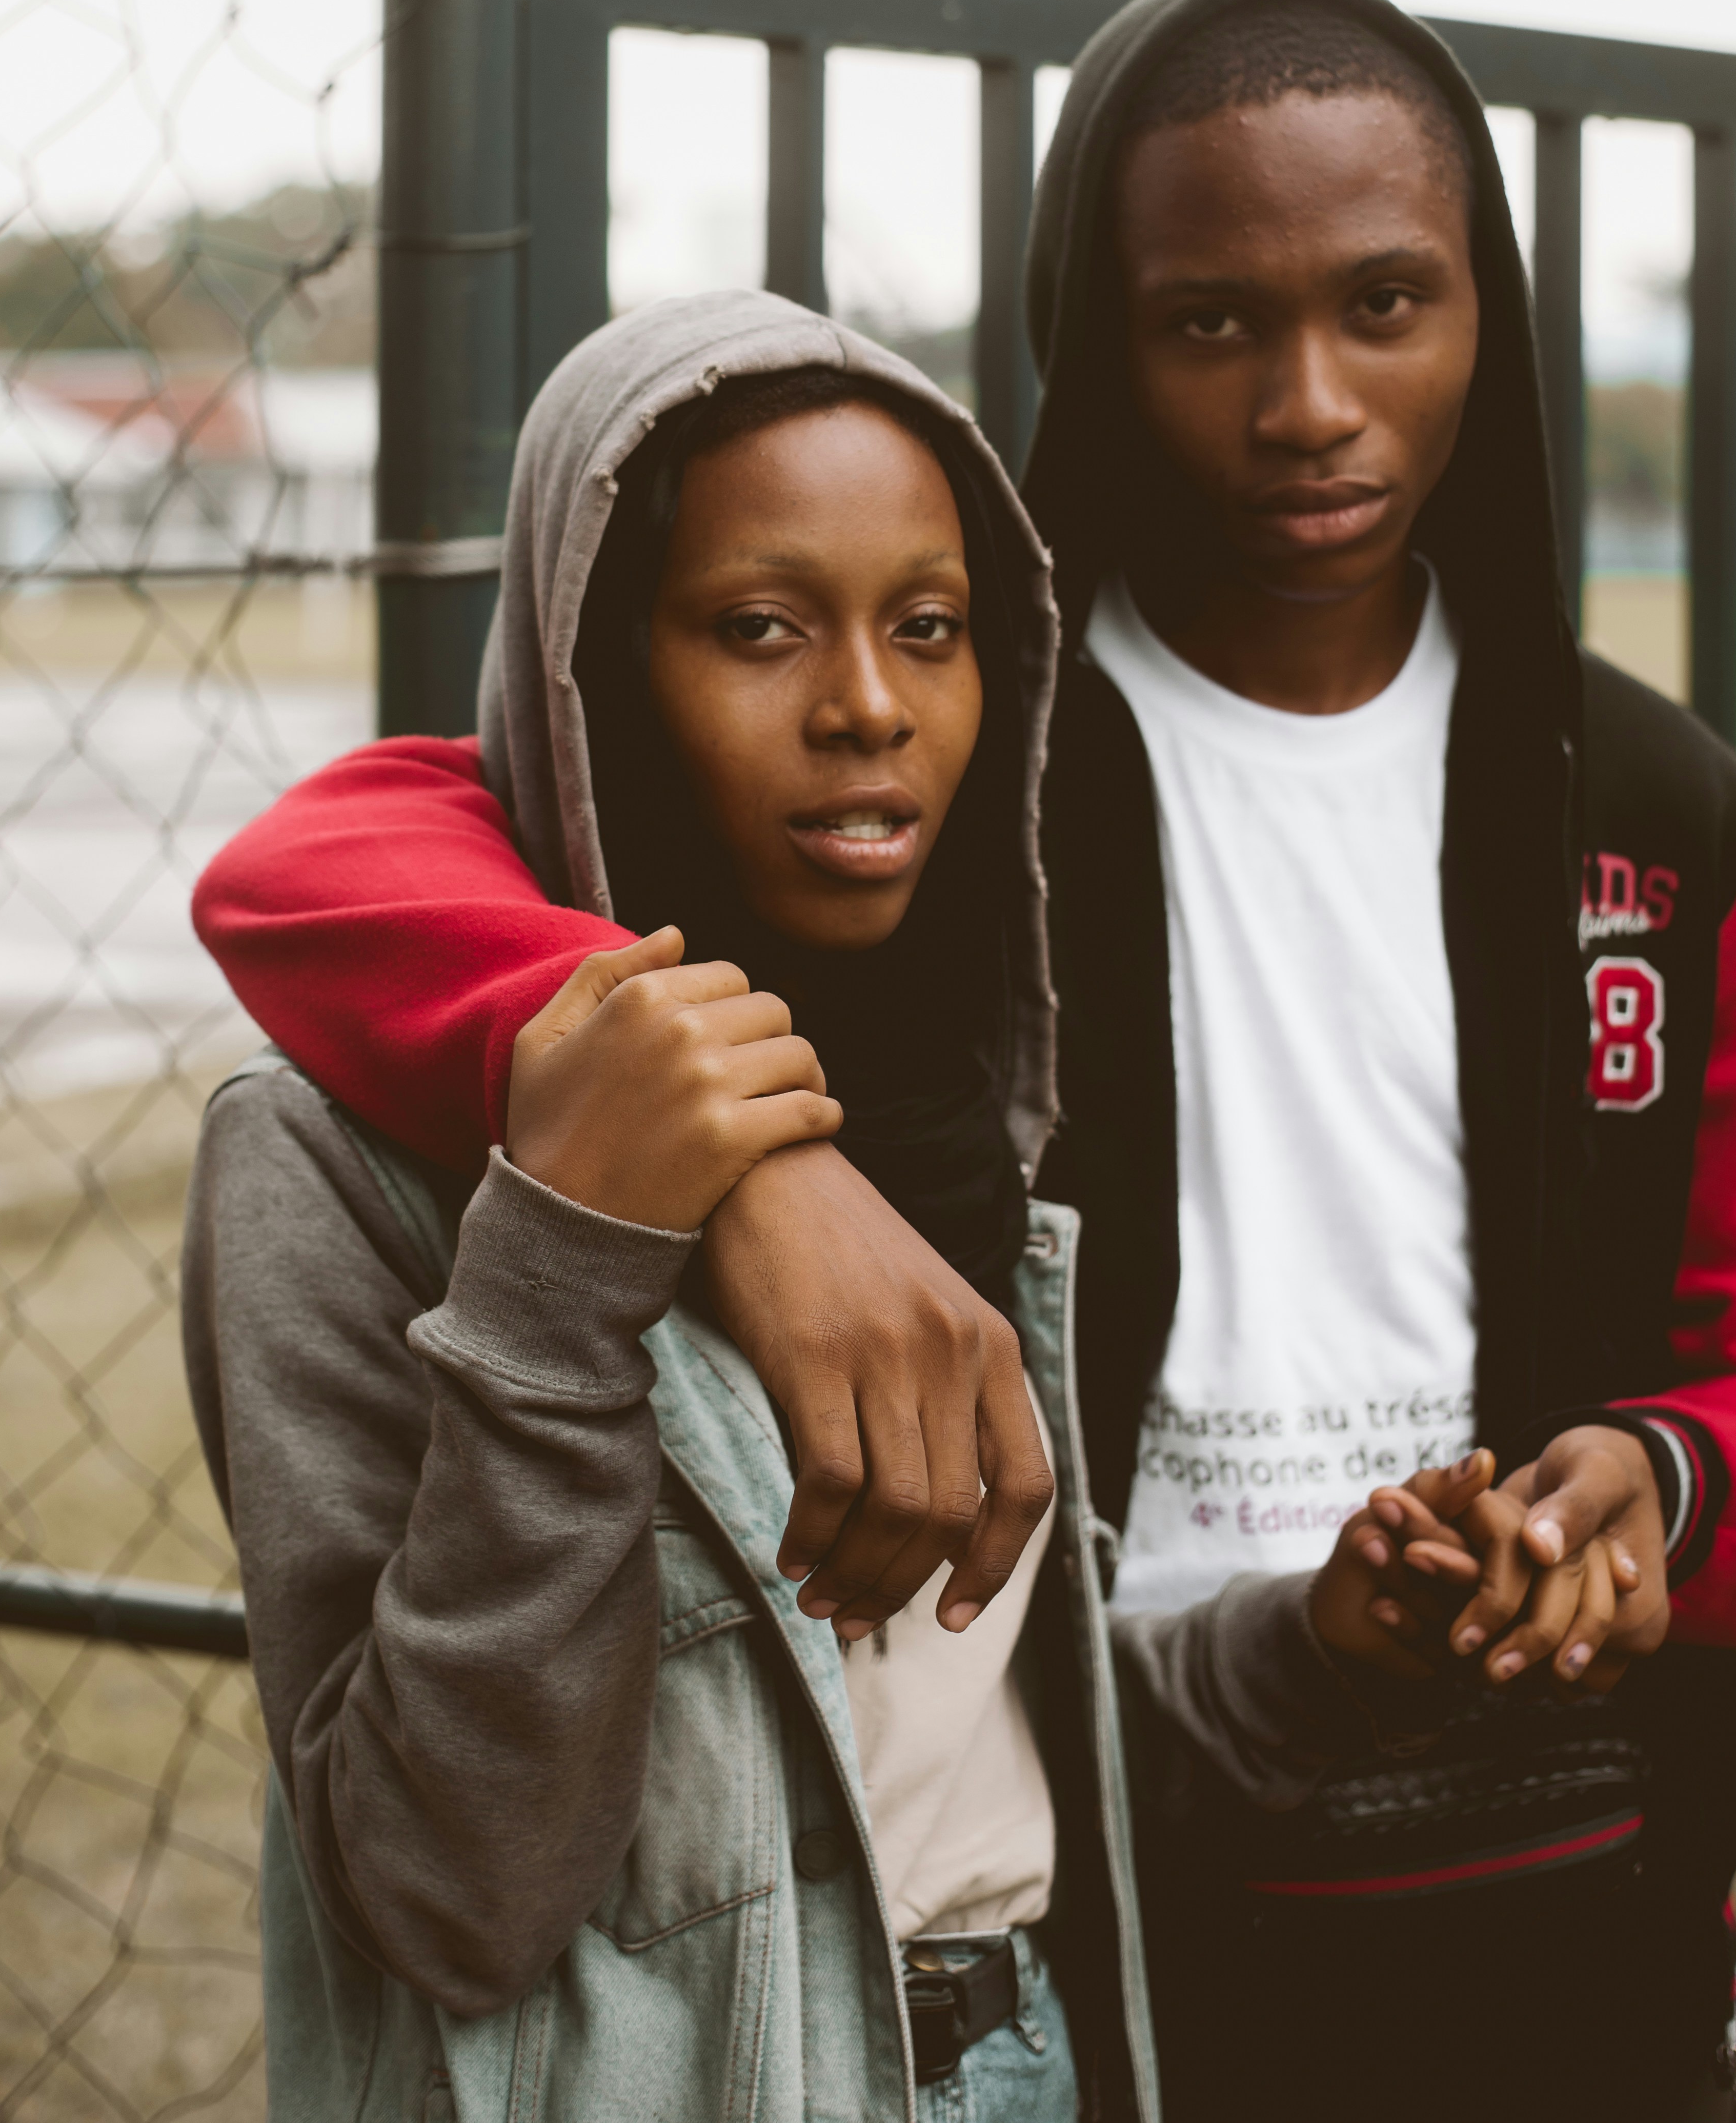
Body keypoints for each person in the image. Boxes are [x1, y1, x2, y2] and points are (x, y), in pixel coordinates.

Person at [193, 0, 1736, 2119]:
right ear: (1095, 331)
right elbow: (332, 851)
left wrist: (1665, 1474)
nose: (1306, 403)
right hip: (1124, 1911)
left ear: (1489, 318)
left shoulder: (1659, 818)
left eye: (1386, 303)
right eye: (1207, 322)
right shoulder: (955, 757)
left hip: (1548, 1860)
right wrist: (750, 1161)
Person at [183, 298, 1164, 2122]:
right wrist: (581, 1252)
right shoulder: (325, 1161)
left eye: (930, 629)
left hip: (1019, 2051)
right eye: (758, 628)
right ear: (597, 665)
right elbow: (444, 1894)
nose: (869, 702)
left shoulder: (999, 1089)